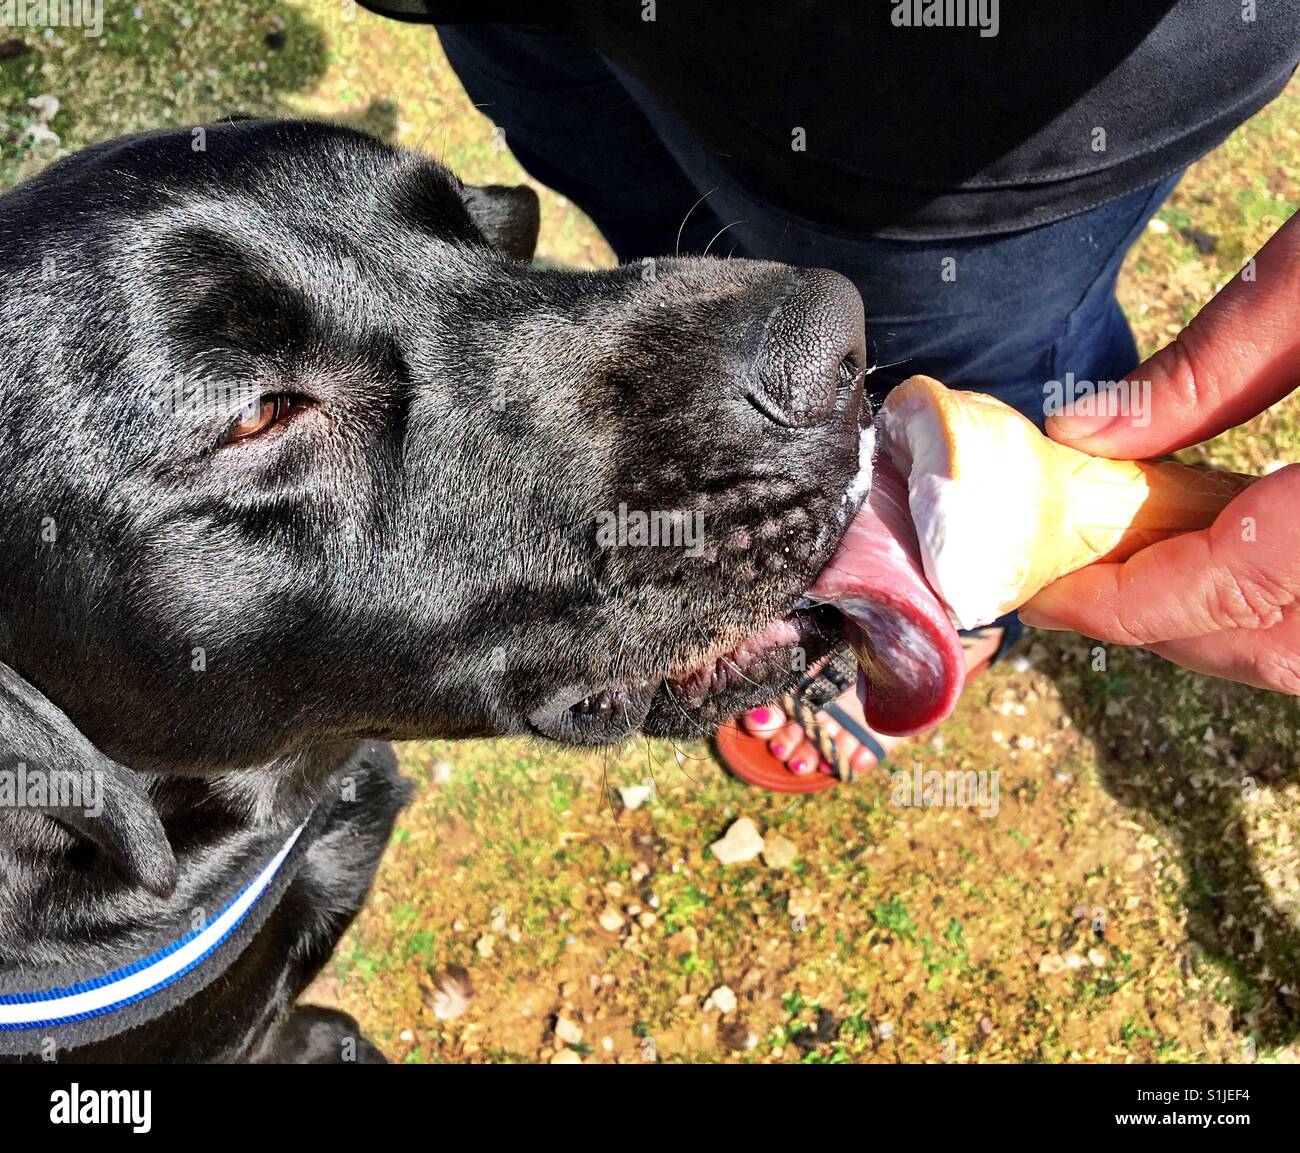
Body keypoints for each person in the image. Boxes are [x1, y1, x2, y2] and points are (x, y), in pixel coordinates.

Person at [358, 1, 1300, 786]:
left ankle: (954, 606)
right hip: (559, 25)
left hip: (965, 106)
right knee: (680, 274)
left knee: (991, 421)